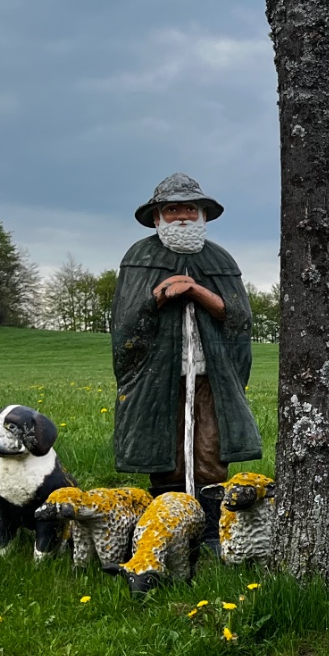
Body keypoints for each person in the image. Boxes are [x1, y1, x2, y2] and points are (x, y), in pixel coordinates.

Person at [110, 174, 263, 526]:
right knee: (166, 449)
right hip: (159, 374)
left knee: (210, 448)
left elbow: (238, 317)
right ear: (157, 217)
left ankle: (209, 525)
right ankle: (168, 521)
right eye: (172, 210)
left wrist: (197, 291)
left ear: (203, 215)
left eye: (190, 209)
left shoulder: (220, 260)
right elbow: (126, 320)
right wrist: (160, 294)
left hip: (210, 374)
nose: (182, 217)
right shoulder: (140, 256)